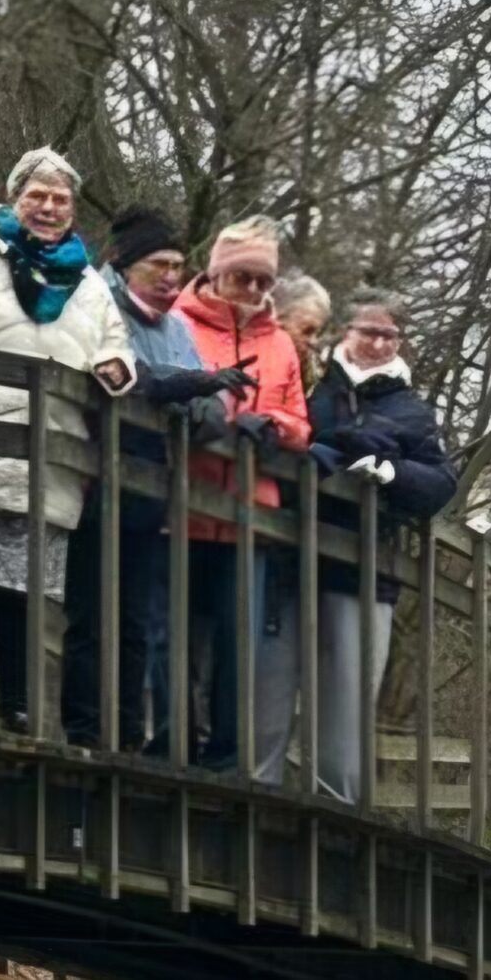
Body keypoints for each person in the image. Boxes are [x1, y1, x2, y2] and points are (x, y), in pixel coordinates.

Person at [0, 149, 134, 732]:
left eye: (60, 198)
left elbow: (114, 342)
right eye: (36, 195)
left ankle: (16, 706)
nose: (48, 207)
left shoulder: (88, 282)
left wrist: (117, 366)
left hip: (49, 448)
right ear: (13, 197)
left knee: (24, 587)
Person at [59, 207, 248, 749]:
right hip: (92, 473)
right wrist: (188, 387)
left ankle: (125, 734)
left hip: (150, 483)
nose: (171, 277)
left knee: (135, 620)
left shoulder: (176, 327)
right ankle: (84, 731)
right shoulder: (95, 300)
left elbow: (213, 409)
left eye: (178, 266)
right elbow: (120, 376)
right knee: (89, 613)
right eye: (159, 265)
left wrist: (190, 393)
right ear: (125, 264)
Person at [262, 287, 456, 801]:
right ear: (345, 332)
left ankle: (335, 821)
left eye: (390, 335)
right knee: (264, 700)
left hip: (364, 573)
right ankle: (252, 813)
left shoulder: (412, 410)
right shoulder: (307, 381)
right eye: (369, 331)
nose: (379, 343)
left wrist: (391, 472)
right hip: (284, 559)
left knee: (346, 714)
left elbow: (441, 483)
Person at [171, 215, 312, 772]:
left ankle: (226, 763)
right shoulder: (178, 322)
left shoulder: (280, 343)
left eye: (262, 280)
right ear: (216, 272)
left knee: (237, 647)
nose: (252, 289)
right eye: (242, 277)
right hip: (181, 505)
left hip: (250, 514)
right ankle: (176, 751)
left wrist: (273, 424)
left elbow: (301, 423)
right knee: (177, 642)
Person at [275, 272, 332, 392]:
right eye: (307, 331)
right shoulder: (240, 363)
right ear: (277, 321)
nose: (314, 342)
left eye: (317, 334)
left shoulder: (316, 381)